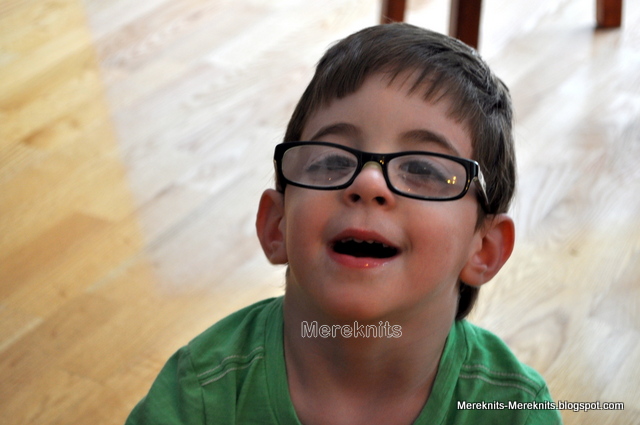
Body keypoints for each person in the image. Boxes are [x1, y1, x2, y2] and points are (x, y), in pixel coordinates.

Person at [125, 23, 562, 424]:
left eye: (423, 169)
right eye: (332, 161)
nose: (368, 182)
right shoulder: (200, 395)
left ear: (484, 250)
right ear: (277, 225)